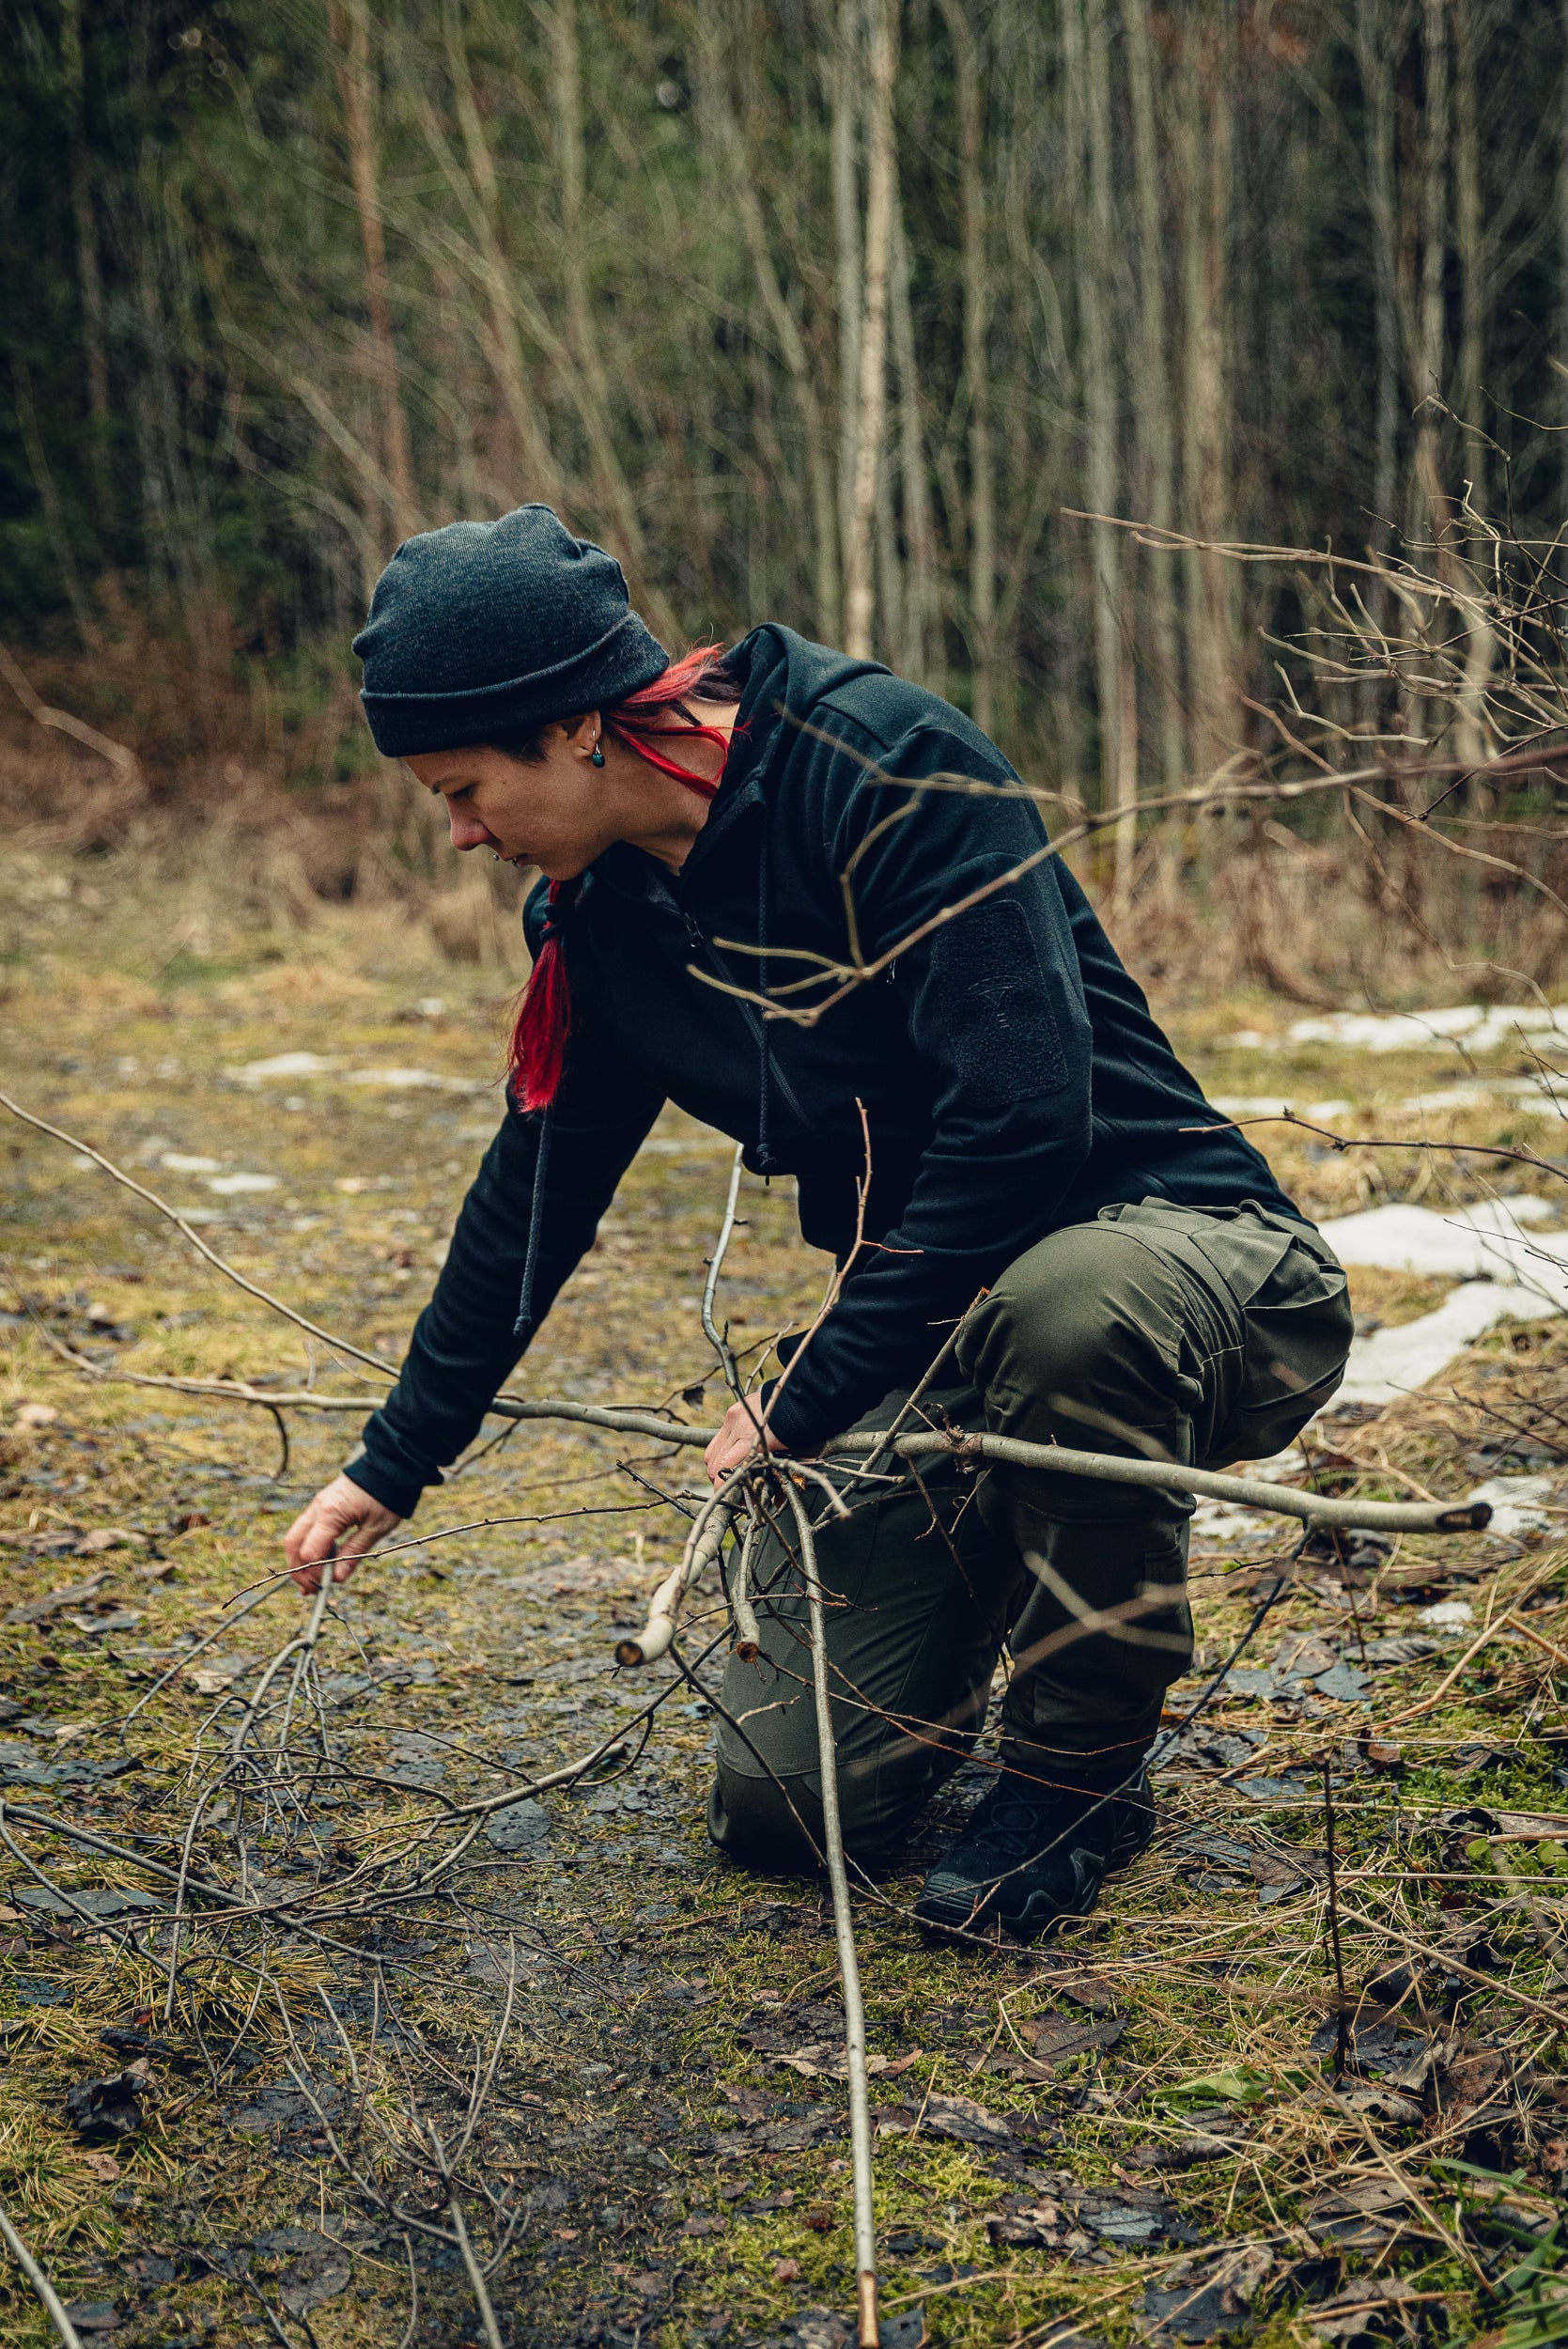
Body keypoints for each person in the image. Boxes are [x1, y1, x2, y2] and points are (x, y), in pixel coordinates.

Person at [284, 505, 1353, 1942]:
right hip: (935, 1334)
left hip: (1183, 1261)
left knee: (1070, 1308)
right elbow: (534, 1195)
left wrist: (809, 1394)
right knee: (792, 1816)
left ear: (578, 728)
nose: (463, 833)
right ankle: (998, 1566)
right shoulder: (598, 915)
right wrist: (395, 1460)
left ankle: (1079, 1770)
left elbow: (1023, 1119)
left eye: (462, 788)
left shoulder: (885, 766)